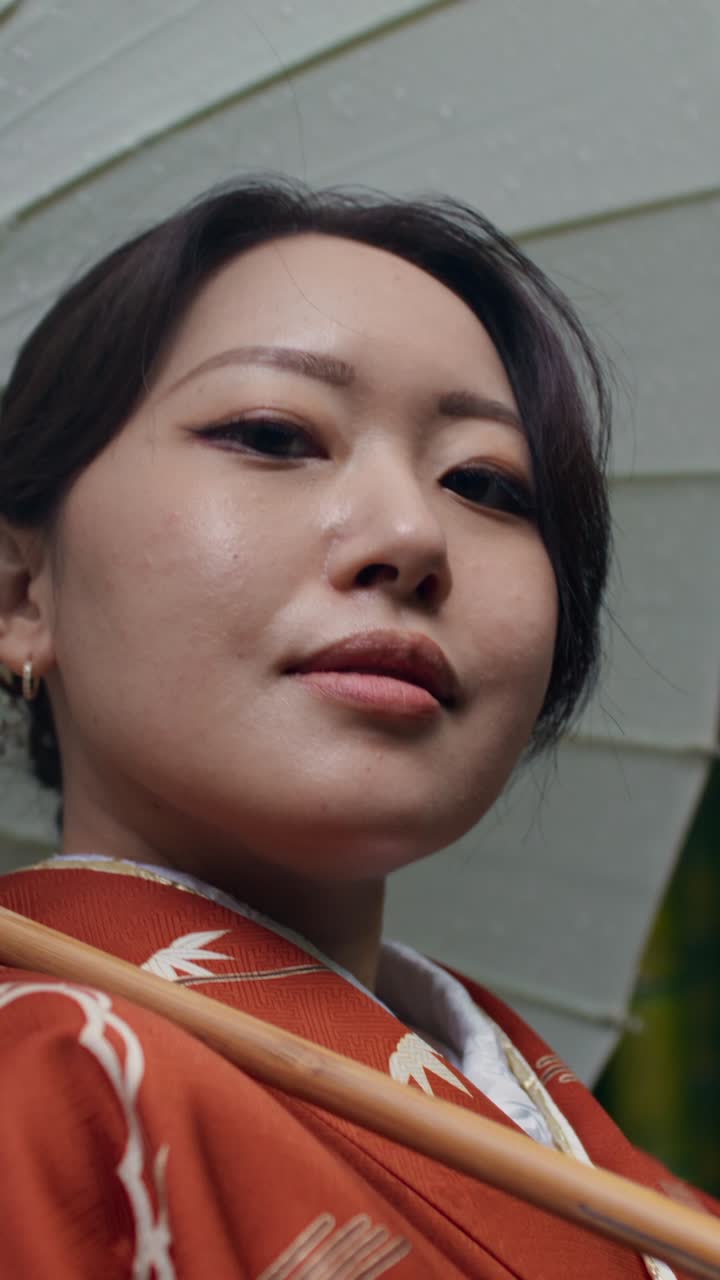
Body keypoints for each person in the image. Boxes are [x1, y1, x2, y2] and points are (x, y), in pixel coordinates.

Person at [0, 179, 712, 1279]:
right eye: (274, 433)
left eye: (485, 481)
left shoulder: (622, 1191)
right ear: (19, 593)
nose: (410, 531)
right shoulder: (48, 1080)